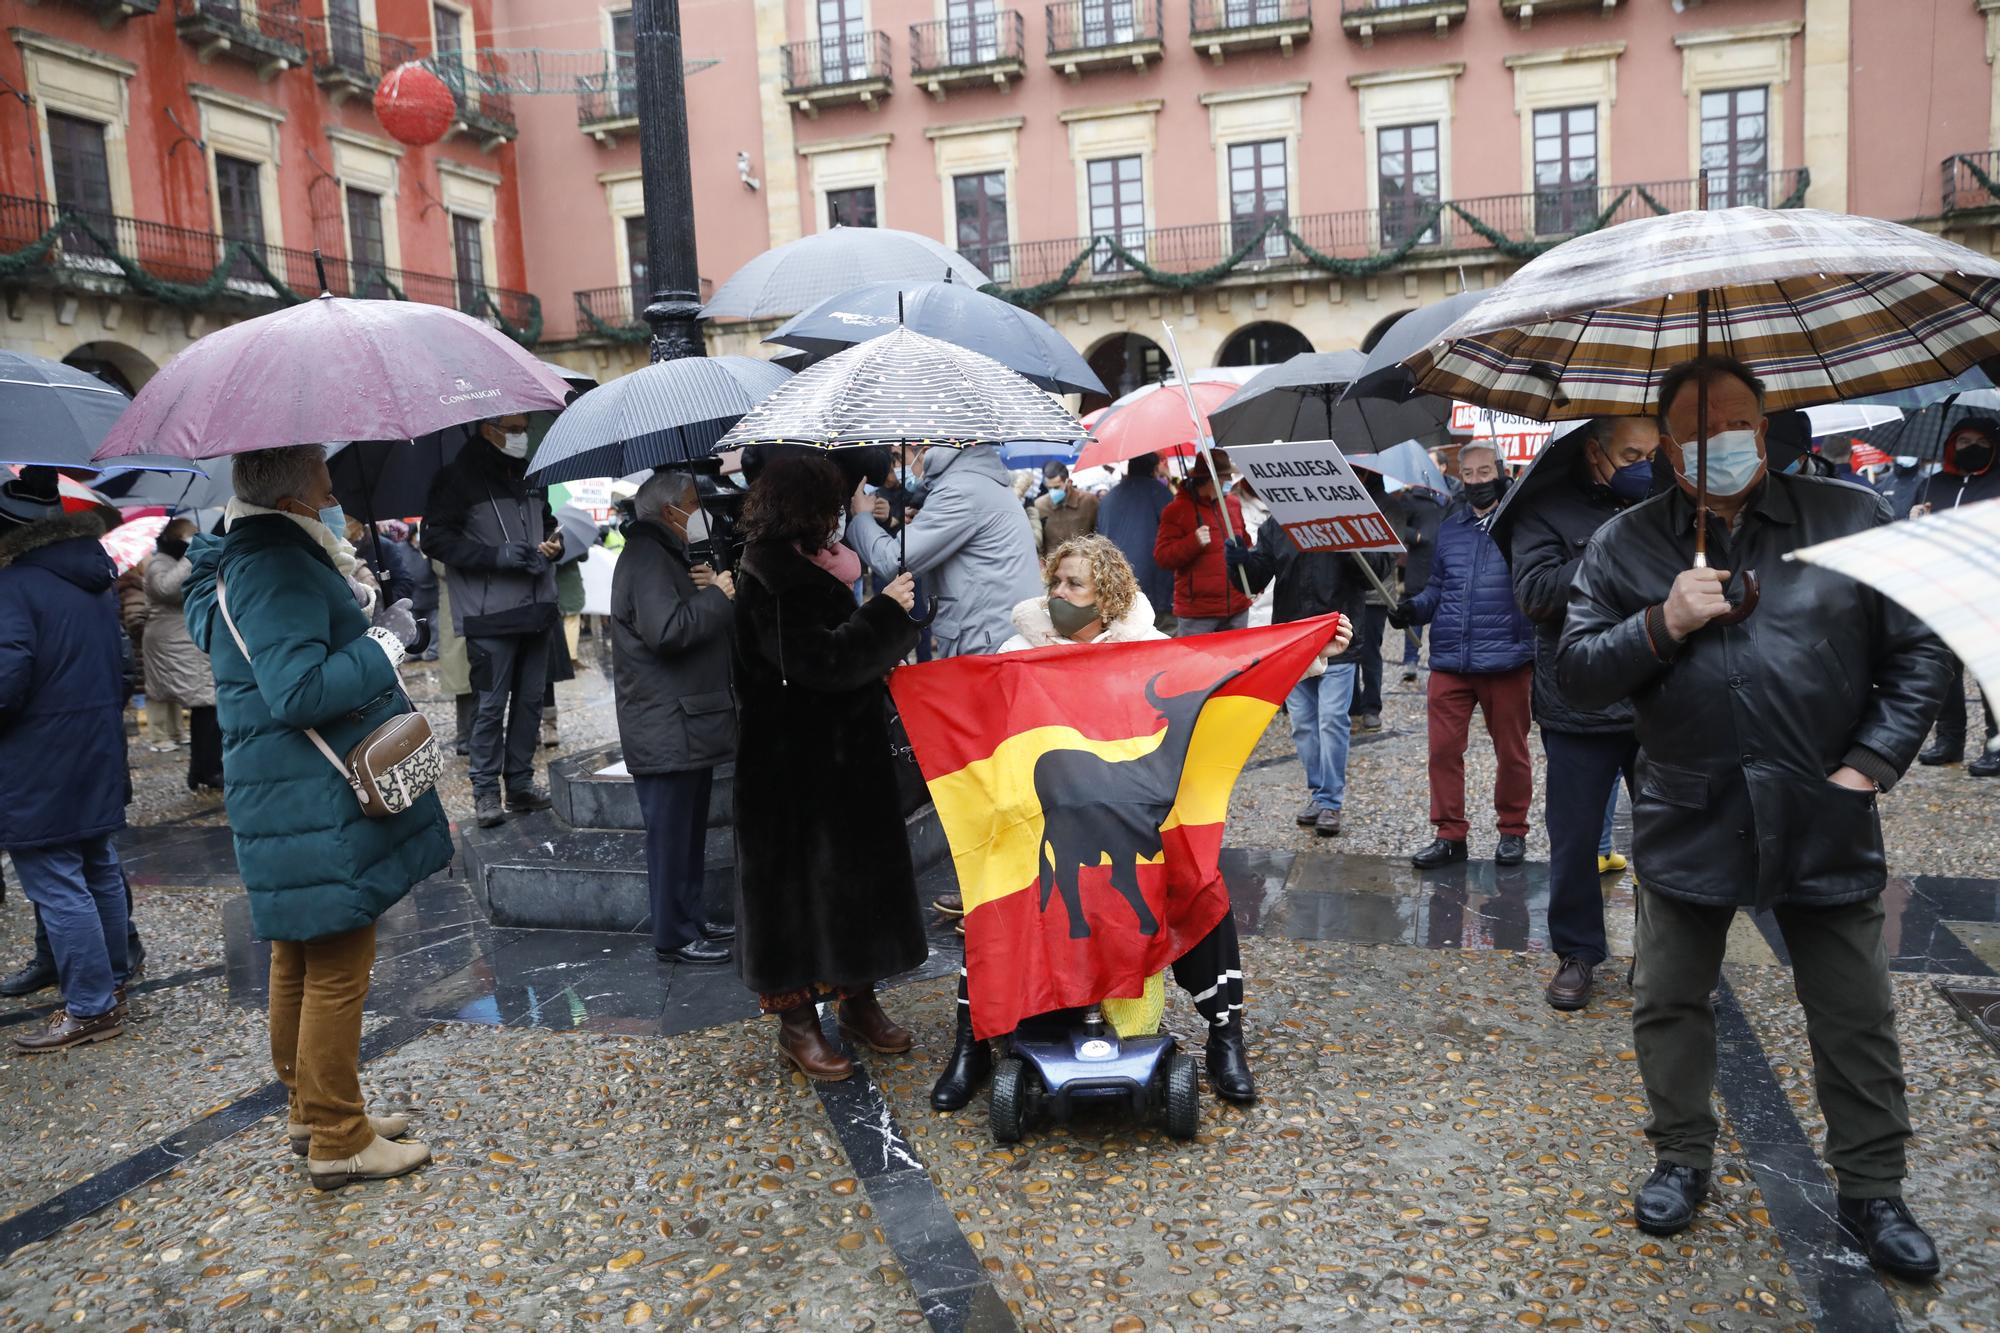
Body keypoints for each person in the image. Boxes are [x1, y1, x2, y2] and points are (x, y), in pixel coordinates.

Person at [1557, 355, 1949, 1279]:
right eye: (1696, 429)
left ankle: (1873, 1185)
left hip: (1824, 810)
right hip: (1688, 810)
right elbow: (1575, 672)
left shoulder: (1851, 518)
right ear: (1666, 441)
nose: (1719, 442)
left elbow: (1918, 650)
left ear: (1765, 423)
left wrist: (1869, 765)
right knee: (1668, 999)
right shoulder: (1624, 544)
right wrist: (1663, 624)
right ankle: (1681, 1156)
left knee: (1853, 1009)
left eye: (1737, 422)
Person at [182, 443, 450, 1190]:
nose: (334, 480)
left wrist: (356, 606)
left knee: (298, 956)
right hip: (311, 797)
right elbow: (296, 690)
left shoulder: (249, 552)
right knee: (336, 964)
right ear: (297, 490)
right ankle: (338, 1135)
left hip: (286, 793)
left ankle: (314, 1107)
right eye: (321, 468)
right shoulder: (274, 562)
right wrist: (387, 639)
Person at [733, 454, 925, 1082]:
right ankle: (798, 1024)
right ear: (806, 509)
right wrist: (887, 614)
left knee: (850, 886)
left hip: (842, 761)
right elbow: (820, 662)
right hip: (790, 772)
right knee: (794, 897)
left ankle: (857, 999)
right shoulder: (774, 575)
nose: (846, 510)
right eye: (836, 501)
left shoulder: (818, 565)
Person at [1510, 418, 1659, 1010]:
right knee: (1574, 840)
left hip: (1658, 696)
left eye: (1654, 452)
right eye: (1631, 454)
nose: (1644, 464)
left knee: (1669, 836)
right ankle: (1577, 952)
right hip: (1579, 701)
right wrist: (1615, 548)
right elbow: (1538, 595)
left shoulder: (1672, 506)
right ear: (1596, 454)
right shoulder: (1544, 509)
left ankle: (1667, 952)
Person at [0, 469, 134, 1053]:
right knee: (96, 865)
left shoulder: (15, 587)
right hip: (94, 745)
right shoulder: (93, 577)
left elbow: (7, 679)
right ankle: (112, 984)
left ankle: (91, 1006)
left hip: (37, 756)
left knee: (57, 881)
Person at [611, 469, 737, 966]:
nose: (699, 511)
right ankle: (674, 933)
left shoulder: (663, 555)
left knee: (687, 835)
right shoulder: (646, 558)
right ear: (671, 512)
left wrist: (704, 588)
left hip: (684, 722)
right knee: (670, 838)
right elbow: (667, 631)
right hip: (666, 725)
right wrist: (716, 598)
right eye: (692, 501)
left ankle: (691, 918)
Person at [1391, 442, 1535, 868]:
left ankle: (1512, 831)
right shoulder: (1450, 528)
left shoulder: (1520, 525)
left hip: (1506, 659)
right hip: (1451, 660)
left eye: (1484, 472)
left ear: (1501, 472)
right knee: (1442, 751)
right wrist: (1412, 608)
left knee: (1511, 752)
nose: (1476, 481)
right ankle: (1450, 834)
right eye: (1468, 474)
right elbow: (1437, 588)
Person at [421, 414, 564, 828]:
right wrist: (495, 556)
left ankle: (519, 784)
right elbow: (435, 539)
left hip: (538, 606)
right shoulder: (456, 479)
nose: (521, 435)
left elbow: (548, 522)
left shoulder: (532, 474)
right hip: (490, 613)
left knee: (531, 700)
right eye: (514, 427)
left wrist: (555, 543)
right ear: (489, 428)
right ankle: (485, 791)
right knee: (490, 705)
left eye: (524, 427)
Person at [1232, 516, 1369, 838]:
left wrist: (1353, 546)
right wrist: (1239, 562)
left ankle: (1329, 801)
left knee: (1332, 720)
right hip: (1293, 641)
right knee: (1303, 725)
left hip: (1338, 638)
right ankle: (1319, 794)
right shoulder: (1275, 526)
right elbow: (1255, 580)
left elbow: (1376, 572)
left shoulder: (1348, 517)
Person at [847, 442, 1041, 660]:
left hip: (985, 643)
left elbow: (893, 561)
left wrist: (861, 516)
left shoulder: (960, 491)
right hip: (995, 634)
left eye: (901, 458)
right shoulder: (975, 479)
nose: (901, 468)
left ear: (926, 452)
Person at [1912, 418, 2000, 776]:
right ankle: (1950, 740)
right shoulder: (1931, 484)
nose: (1971, 447)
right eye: (1964, 440)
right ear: (1951, 444)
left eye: (1981, 441)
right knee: (1943, 671)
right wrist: (1914, 520)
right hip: (1940, 590)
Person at [144, 518, 223, 794]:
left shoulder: (172, 559)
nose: (193, 538)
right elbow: (167, 588)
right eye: (189, 534)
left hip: (186, 640)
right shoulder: (160, 562)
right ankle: (206, 769)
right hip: (177, 642)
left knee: (207, 706)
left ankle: (204, 768)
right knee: (205, 705)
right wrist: (194, 556)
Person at [1154, 453, 1252, 636]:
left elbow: (1247, 544)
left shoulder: (1232, 504)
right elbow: (1162, 557)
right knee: (1197, 664)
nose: (1231, 481)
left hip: (1238, 607)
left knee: (1239, 664)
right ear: (1210, 479)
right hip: (1198, 614)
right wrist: (1193, 542)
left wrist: (1253, 581)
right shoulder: (1176, 510)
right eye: (1226, 477)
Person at [1097, 453, 1175, 632]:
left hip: (1118, 584)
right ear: (1153, 469)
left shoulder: (1108, 498)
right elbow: (1173, 535)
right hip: (1157, 587)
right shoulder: (1161, 493)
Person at [1029, 461, 1099, 555]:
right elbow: (1038, 540)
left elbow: (1099, 533)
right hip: (1053, 564)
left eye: (1057, 487)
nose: (1053, 491)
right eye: (1049, 488)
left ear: (1068, 482)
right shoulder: (1040, 506)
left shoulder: (1088, 501)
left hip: (1084, 561)